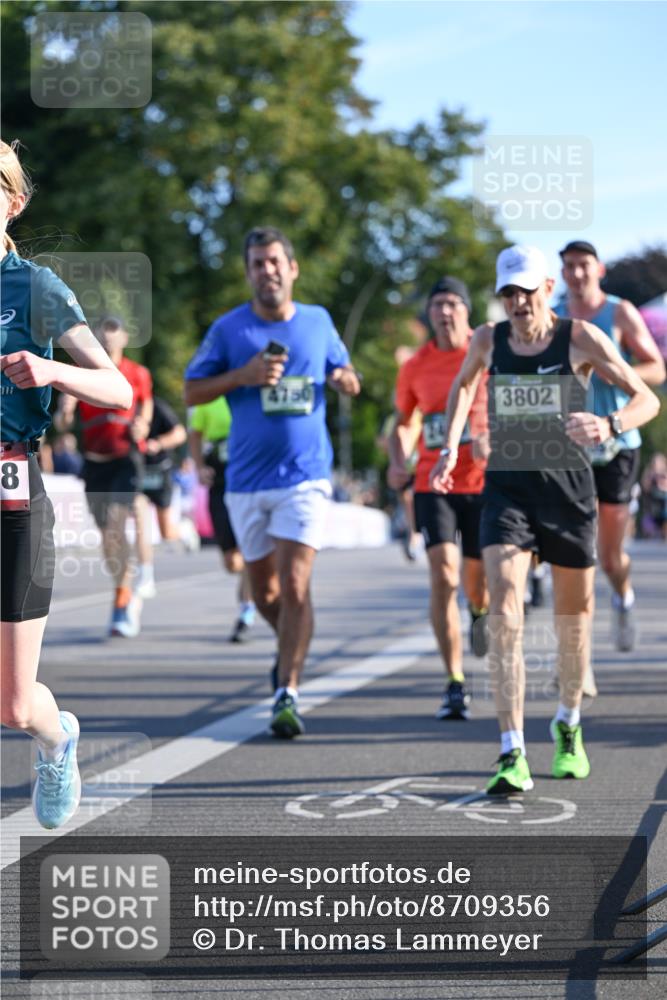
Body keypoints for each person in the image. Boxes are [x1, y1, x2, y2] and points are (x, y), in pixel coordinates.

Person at [430, 245, 659, 794]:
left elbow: (646, 398)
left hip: (569, 492)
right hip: (508, 490)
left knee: (573, 619)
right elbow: (463, 384)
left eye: (526, 291)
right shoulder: (489, 339)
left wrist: (608, 424)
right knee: (505, 611)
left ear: (548, 289)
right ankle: (511, 750)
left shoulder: (580, 338)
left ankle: (568, 724)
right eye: (508, 292)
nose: (517, 303)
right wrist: (451, 445)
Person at [0, 139, 132, 829]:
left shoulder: (36, 289)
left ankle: (56, 740)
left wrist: (53, 372)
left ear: (13, 202)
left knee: (14, 706)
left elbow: (117, 389)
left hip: (13, 494)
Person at [184, 226, 360, 738]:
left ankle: (288, 689)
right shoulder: (228, 330)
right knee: (265, 594)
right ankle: (292, 642)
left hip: (305, 476)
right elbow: (192, 391)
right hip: (245, 481)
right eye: (257, 263)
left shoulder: (319, 321)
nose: (268, 271)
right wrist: (242, 377)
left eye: (275, 261)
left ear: (293, 267)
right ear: (248, 273)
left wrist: (346, 380)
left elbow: (348, 372)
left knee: (297, 584)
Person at [556, 241, 665, 650]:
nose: (577, 273)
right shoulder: (555, 315)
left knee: (609, 555)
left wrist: (614, 370)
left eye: (584, 265)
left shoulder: (618, 311)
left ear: (598, 269)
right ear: (561, 273)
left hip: (618, 443)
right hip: (569, 444)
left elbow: (655, 367)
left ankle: (622, 596)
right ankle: (574, 650)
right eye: (569, 266)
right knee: (571, 546)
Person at [388, 277, 489, 720]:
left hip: (486, 483)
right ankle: (454, 681)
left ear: (466, 311)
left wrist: (494, 438)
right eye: (436, 305)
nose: (444, 313)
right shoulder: (415, 366)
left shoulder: (488, 350)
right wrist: (398, 457)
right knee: (444, 576)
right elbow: (404, 421)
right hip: (435, 483)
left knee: (476, 582)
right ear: (428, 314)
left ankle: (481, 611)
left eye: (452, 304)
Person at [55, 316, 153, 638]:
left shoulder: (137, 373)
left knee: (116, 522)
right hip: (94, 464)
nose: (109, 344)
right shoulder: (83, 372)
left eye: (114, 339)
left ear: (124, 338)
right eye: (103, 339)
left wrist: (142, 426)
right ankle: (122, 587)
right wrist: (66, 411)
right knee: (108, 539)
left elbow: (145, 410)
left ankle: (123, 600)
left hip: (126, 460)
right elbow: (62, 425)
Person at [188, 396, 256, 642]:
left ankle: (246, 611)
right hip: (219, 482)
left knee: (249, 548)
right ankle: (250, 577)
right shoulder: (209, 398)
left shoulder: (248, 391)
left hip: (248, 480)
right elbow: (195, 434)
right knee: (232, 562)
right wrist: (199, 466)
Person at [134, 396, 199, 599]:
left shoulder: (157, 406)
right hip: (137, 473)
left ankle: (185, 530)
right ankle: (146, 577)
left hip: (160, 472)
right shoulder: (122, 406)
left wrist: (159, 443)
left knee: (166, 533)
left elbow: (179, 434)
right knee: (140, 525)